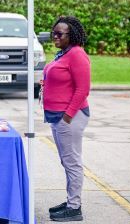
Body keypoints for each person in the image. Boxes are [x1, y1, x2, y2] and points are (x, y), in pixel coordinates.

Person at [43, 16, 90, 222]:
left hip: (69, 117)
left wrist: (68, 116)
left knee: (72, 162)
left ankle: (74, 207)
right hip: (58, 116)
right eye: (54, 33)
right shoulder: (63, 54)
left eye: (59, 34)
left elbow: (83, 89)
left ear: (72, 35)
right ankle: (71, 200)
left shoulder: (77, 54)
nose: (55, 36)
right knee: (67, 161)